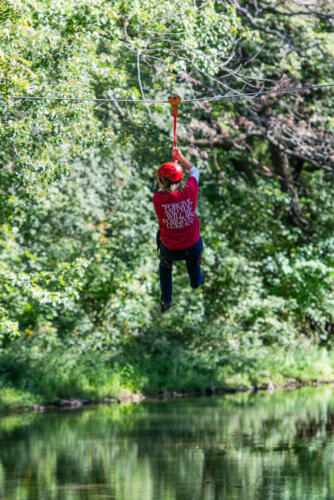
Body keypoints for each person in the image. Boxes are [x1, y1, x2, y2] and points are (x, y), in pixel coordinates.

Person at [153, 147, 204, 313]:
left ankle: (166, 299)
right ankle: (196, 281)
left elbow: (164, 189)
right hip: (192, 246)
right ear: (180, 180)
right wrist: (180, 158)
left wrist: (171, 171)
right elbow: (194, 171)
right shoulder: (190, 191)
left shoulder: (158, 199)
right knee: (193, 264)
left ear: (162, 181)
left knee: (165, 267)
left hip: (171, 249)